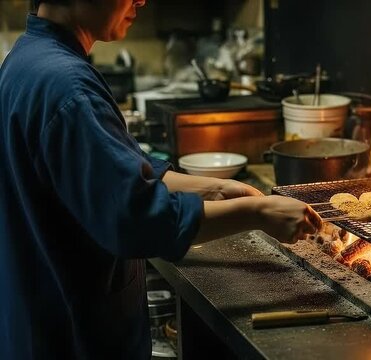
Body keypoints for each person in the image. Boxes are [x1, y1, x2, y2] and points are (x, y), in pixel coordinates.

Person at [0, 0, 321, 358]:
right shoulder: (66, 86)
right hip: (73, 338)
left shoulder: (29, 59)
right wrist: (257, 213)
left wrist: (216, 188)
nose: (141, 0)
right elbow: (134, 217)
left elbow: (116, 168)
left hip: (36, 324)